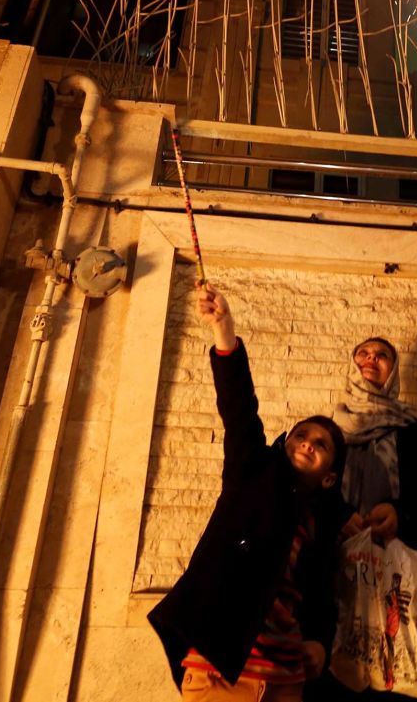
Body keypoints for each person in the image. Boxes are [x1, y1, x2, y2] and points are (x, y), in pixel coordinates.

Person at [149, 284, 353, 702]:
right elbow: (239, 407)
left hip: (285, 677)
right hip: (220, 670)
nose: (308, 443)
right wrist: (224, 332)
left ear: (330, 476)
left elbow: (321, 594)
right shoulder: (252, 472)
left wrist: (320, 642)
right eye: (302, 435)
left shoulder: (321, 524)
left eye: (322, 444)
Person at [312, 337, 417, 702]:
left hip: (410, 590)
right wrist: (339, 519)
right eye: (363, 352)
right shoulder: (324, 434)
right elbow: (305, 500)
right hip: (335, 587)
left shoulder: (416, 431)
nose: (371, 359)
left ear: (394, 371)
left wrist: (400, 515)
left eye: (382, 355)